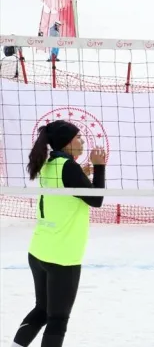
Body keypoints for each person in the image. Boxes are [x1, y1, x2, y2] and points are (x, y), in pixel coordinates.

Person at [12, 120, 106, 347]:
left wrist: (80, 173)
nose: (82, 140)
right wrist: (99, 167)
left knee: (43, 310)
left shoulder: (47, 163)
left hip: (38, 251)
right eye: (78, 137)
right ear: (66, 143)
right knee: (58, 318)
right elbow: (97, 200)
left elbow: (66, 187)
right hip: (62, 256)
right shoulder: (69, 168)